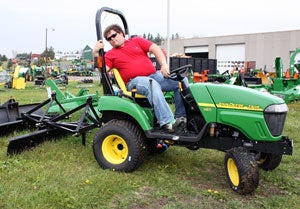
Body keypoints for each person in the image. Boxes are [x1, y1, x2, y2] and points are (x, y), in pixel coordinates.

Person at [93, 24, 186, 132]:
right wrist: (95, 53)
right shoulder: (110, 55)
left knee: (181, 80)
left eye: (114, 35)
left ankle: (181, 118)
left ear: (122, 33)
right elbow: (102, 70)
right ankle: (168, 123)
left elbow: (155, 48)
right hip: (134, 82)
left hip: (154, 76)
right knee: (150, 83)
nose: (112, 39)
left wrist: (164, 64)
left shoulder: (136, 41)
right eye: (109, 39)